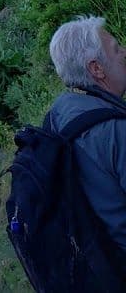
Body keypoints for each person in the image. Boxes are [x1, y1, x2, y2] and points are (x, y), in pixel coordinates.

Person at [48, 15, 126, 258]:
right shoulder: (114, 130)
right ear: (96, 68)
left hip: (93, 263)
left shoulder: (60, 112)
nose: (124, 52)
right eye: (115, 49)